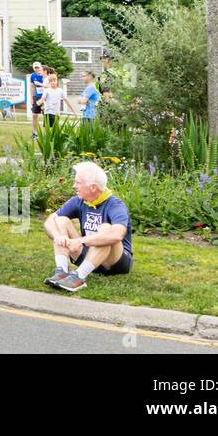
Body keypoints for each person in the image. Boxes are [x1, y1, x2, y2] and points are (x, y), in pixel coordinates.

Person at [43, 161, 133, 292]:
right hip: (90, 256)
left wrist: (80, 241)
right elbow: (49, 221)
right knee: (60, 220)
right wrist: (58, 236)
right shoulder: (79, 200)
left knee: (106, 229)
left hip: (115, 263)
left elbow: (117, 235)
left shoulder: (115, 205)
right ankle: (62, 272)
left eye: (78, 182)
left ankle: (79, 277)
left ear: (93, 187)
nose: (74, 186)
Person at [28, 61, 46, 139]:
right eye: (35, 68)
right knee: (34, 115)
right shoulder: (33, 76)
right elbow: (32, 87)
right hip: (37, 97)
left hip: (46, 97)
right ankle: (35, 133)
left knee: (46, 115)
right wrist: (31, 98)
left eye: (38, 67)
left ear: (41, 67)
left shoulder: (45, 74)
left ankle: (46, 133)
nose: (37, 69)